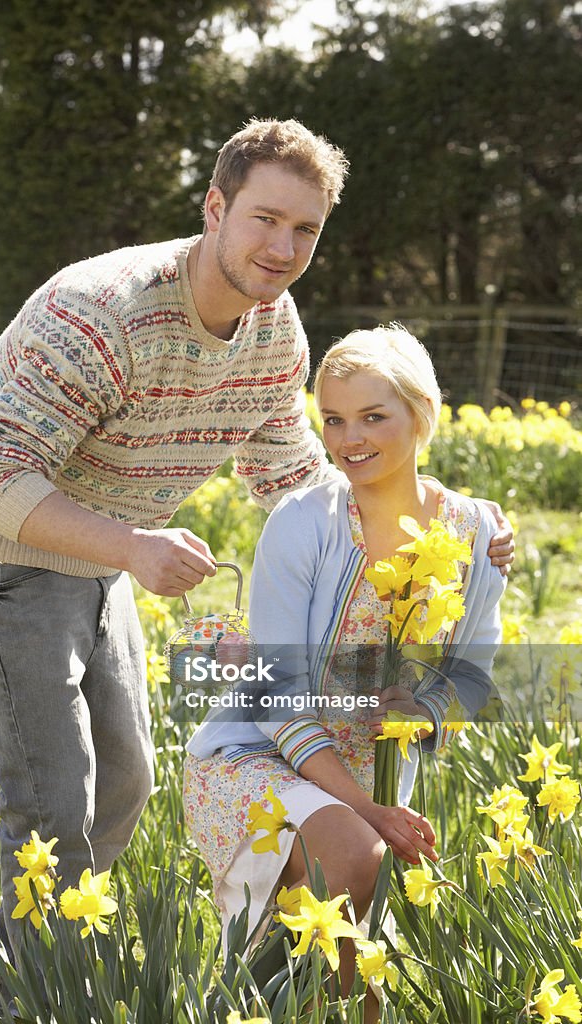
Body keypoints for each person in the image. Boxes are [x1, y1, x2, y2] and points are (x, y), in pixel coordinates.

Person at [0, 118, 512, 1009]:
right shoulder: (101, 310)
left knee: (124, 782)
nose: (282, 247)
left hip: (101, 546)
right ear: (215, 206)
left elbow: (292, 471)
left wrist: (444, 531)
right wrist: (133, 547)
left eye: (304, 229)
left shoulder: (273, 331)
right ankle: (12, 1001)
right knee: (55, 799)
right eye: (264, 219)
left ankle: (42, 972)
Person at [183, 325, 507, 1013]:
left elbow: (473, 674)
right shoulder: (304, 520)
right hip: (258, 759)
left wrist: (421, 711)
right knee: (356, 857)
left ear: (420, 415)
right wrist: (370, 812)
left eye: (372, 416)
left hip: (368, 780)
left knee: (352, 957)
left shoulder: (475, 533)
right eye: (332, 419)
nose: (347, 439)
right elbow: (277, 696)